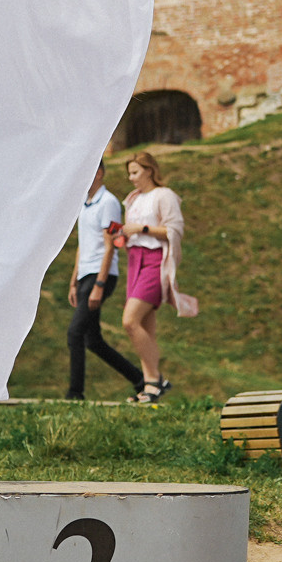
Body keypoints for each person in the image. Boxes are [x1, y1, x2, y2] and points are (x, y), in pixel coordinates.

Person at [63, 161, 142, 400]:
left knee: (75, 333)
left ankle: (75, 394)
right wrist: (73, 280)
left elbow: (110, 247)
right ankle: (139, 379)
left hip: (100, 275)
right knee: (92, 340)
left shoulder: (108, 203)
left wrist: (99, 284)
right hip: (85, 275)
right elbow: (82, 244)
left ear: (98, 173)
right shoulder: (84, 205)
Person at [116, 150, 187, 405]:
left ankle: (156, 379)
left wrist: (142, 228)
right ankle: (150, 387)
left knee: (129, 320)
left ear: (148, 170)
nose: (131, 178)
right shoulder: (132, 199)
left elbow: (174, 230)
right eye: (129, 174)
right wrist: (122, 236)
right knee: (145, 328)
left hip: (155, 261)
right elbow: (131, 231)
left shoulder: (164, 195)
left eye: (135, 172)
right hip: (135, 260)